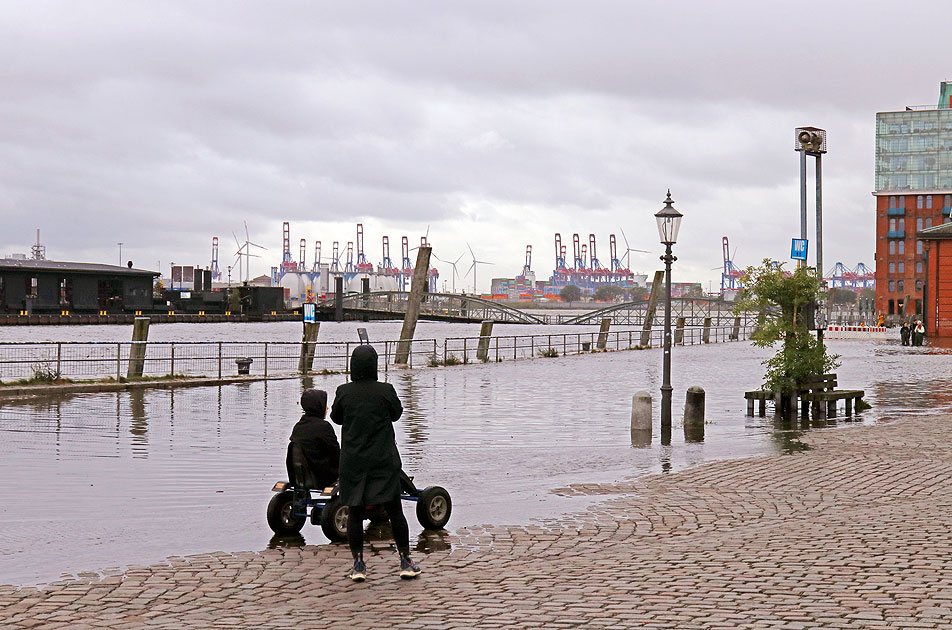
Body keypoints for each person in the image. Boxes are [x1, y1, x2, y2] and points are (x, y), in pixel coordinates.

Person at [331, 345, 421, 582]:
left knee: (355, 512)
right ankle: (405, 560)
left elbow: (336, 418)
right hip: (383, 459)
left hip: (354, 461)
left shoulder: (344, 392)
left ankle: (359, 564)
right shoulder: (386, 391)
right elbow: (396, 413)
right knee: (395, 510)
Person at [287, 389, 340, 490]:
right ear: (318, 406)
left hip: (299, 477)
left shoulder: (298, 426)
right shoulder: (324, 427)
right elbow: (335, 453)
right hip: (320, 477)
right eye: (325, 405)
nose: (327, 408)